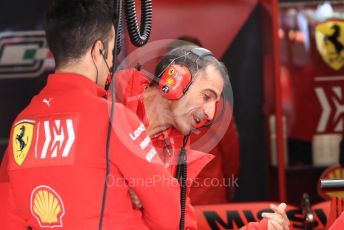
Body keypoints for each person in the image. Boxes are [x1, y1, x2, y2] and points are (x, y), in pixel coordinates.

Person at [0, 0, 181, 229]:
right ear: (98, 51)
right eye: (112, 50)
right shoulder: (114, 118)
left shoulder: (22, 125)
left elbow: (7, 216)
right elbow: (169, 210)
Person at [115, 45, 290, 229]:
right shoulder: (109, 100)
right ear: (174, 80)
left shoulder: (176, 150)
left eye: (215, 102)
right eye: (206, 96)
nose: (210, 113)